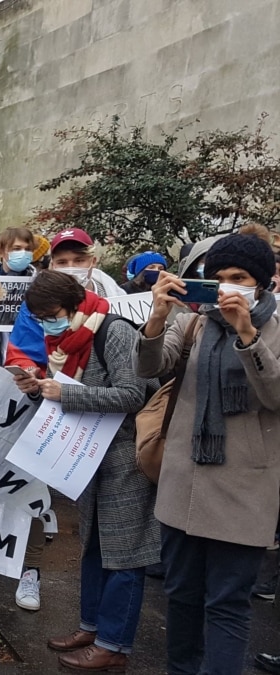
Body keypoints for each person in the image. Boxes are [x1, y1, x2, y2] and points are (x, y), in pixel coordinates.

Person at [136, 229, 280, 675]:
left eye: (239, 276)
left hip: (245, 488)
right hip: (183, 481)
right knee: (180, 595)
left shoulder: (274, 328)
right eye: (218, 276)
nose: (228, 285)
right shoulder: (194, 320)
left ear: (262, 281)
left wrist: (248, 335)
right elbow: (148, 369)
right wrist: (157, 319)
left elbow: (275, 397)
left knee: (227, 605)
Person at [10, 271, 158, 672]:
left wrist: (65, 392)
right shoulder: (67, 339)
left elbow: (133, 393)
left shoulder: (114, 330)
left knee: (124, 555)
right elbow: (72, 386)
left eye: (52, 314)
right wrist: (41, 385)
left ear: (76, 304)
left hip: (124, 455)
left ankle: (114, 644)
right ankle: (92, 627)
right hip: (90, 455)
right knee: (94, 547)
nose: (47, 323)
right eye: (40, 318)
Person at [5, 227, 128, 614]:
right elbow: (21, 352)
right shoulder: (36, 305)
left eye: (78, 261)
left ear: (93, 262)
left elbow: (134, 384)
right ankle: (37, 577)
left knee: (111, 536)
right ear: (50, 265)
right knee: (36, 497)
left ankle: (105, 630)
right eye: (62, 262)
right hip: (54, 418)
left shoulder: (119, 308)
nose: (71, 268)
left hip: (109, 432)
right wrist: (29, 376)